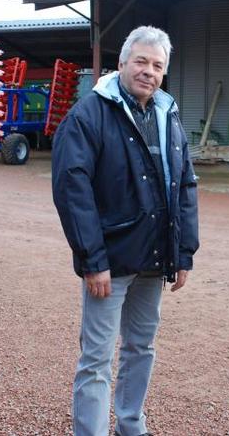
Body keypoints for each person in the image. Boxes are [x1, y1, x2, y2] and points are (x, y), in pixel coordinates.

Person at [52, 25, 199, 436]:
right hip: (110, 264)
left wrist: (182, 252)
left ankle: (131, 425)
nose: (148, 71)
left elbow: (185, 183)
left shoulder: (167, 115)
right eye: (141, 61)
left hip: (154, 259)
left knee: (141, 348)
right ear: (121, 63)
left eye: (157, 65)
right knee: (97, 359)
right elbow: (73, 189)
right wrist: (92, 259)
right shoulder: (89, 115)